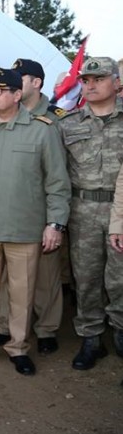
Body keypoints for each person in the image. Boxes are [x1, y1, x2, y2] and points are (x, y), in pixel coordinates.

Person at [0, 68, 70, 376]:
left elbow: (57, 183)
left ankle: (18, 347)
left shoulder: (42, 129)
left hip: (24, 228)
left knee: (22, 293)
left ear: (18, 95)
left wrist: (55, 223)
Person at [0, 59, 68, 354]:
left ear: (36, 82)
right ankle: (3, 326)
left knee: (45, 275)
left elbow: (61, 172)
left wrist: (56, 219)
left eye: (19, 78)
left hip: (41, 210)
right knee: (4, 275)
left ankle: (46, 329)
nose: (12, 83)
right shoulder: (1, 115)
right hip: (9, 209)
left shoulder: (57, 119)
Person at [59, 56, 123, 369]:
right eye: (86, 80)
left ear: (117, 82)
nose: (91, 84)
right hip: (81, 210)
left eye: (98, 78)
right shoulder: (68, 123)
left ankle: (121, 334)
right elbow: (57, 174)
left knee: (120, 278)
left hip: (120, 211)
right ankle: (91, 338)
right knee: (85, 278)